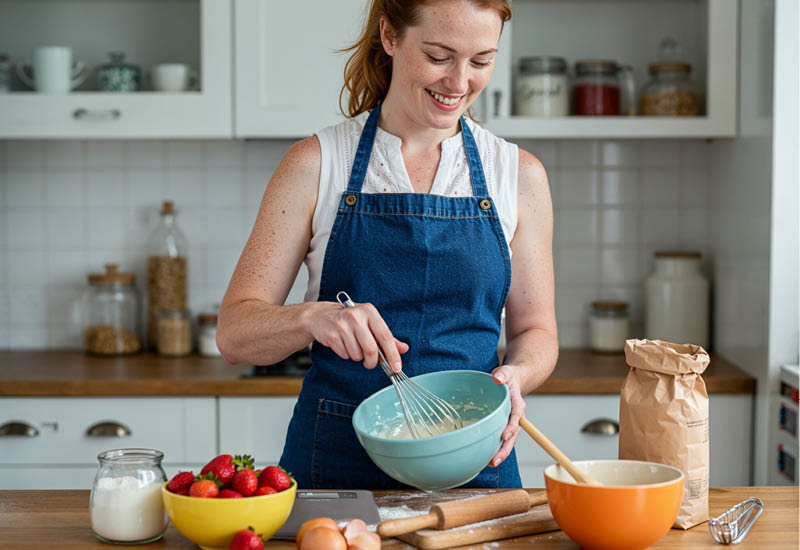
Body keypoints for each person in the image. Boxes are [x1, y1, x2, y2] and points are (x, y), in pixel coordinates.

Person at [217, 0, 557, 489]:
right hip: (336, 466)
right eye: (439, 57)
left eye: (481, 61)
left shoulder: (518, 175)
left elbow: (538, 332)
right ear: (390, 37)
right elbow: (233, 334)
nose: (460, 83)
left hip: (474, 460)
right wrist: (313, 316)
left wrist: (518, 377)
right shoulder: (317, 163)